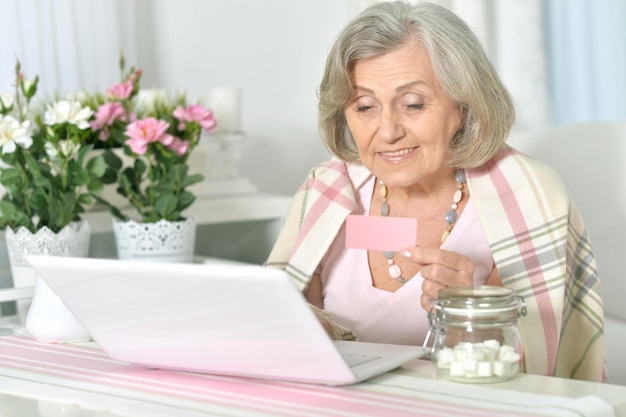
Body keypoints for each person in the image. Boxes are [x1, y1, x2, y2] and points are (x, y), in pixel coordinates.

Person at [265, 1, 606, 382]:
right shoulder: (326, 191)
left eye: (413, 104)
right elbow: (293, 348)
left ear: (463, 105)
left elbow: (536, 369)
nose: (389, 131)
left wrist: (472, 315)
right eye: (364, 107)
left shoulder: (527, 197)